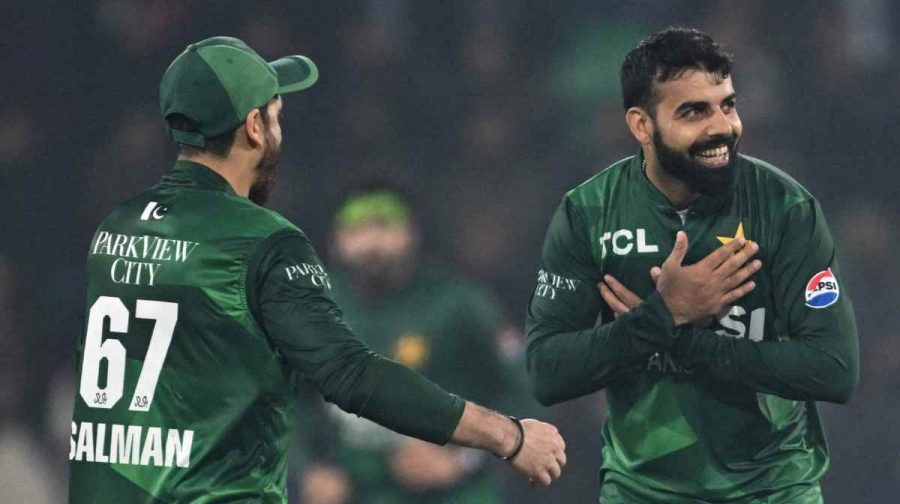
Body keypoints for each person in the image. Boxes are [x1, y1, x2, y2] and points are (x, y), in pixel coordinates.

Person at [67, 36, 565, 503]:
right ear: (256, 128)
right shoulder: (263, 241)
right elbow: (352, 374)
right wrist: (508, 435)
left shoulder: (119, 226)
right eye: (276, 114)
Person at [525, 27, 858, 503]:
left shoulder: (784, 208)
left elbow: (834, 369)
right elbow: (547, 373)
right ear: (642, 125)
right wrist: (665, 313)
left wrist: (676, 334)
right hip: (643, 491)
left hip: (773, 488)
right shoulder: (589, 213)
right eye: (694, 111)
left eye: (727, 104)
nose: (722, 127)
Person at [299, 183, 533, 503]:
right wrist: (307, 470)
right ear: (335, 242)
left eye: (385, 226)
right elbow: (284, 399)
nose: (372, 243)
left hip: (452, 494)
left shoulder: (458, 304)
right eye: (356, 230)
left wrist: (463, 459)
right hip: (358, 492)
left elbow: (526, 390)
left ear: (412, 234)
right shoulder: (313, 308)